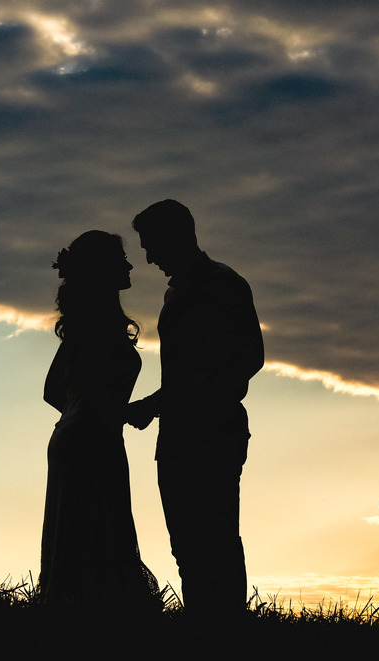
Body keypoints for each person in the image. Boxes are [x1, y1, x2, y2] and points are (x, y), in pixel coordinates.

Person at [125, 200, 264, 615]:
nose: (149, 259)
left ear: (177, 236)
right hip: (177, 437)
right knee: (186, 547)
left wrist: (156, 403)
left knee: (215, 543)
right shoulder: (177, 292)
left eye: (152, 246)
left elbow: (247, 358)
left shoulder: (223, 285)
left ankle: (223, 629)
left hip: (213, 434)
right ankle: (203, 627)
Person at [40, 230, 160, 608]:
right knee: (101, 534)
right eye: (120, 261)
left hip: (74, 436)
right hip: (94, 441)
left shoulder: (84, 323)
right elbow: (88, 384)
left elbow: (53, 391)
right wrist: (123, 412)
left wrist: (84, 416)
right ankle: (102, 625)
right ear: (102, 270)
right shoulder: (100, 324)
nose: (129, 266)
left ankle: (78, 619)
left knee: (81, 535)